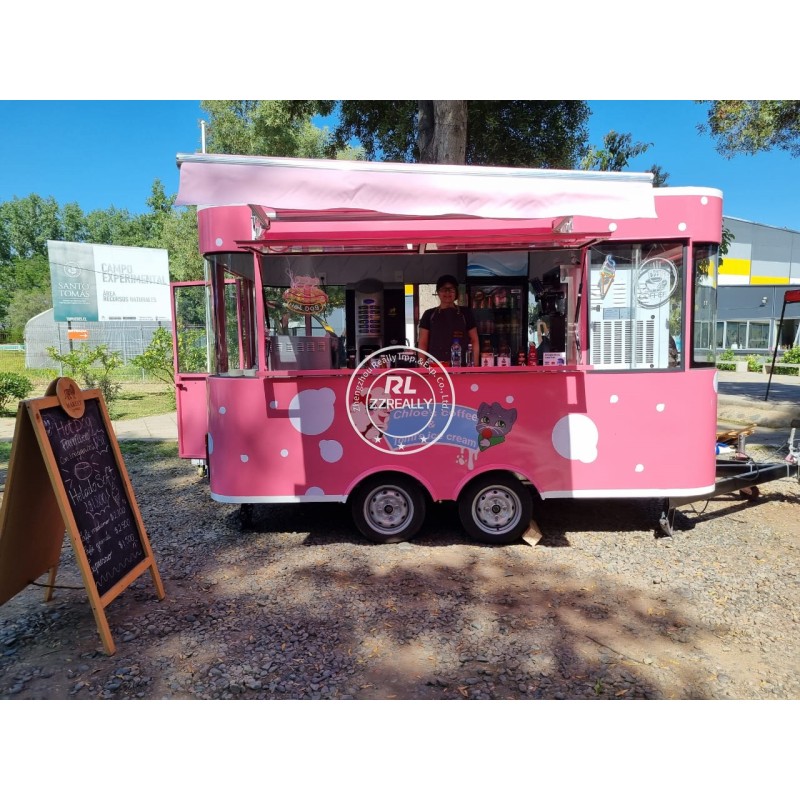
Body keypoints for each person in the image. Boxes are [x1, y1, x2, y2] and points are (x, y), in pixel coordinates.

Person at [418, 274, 479, 365]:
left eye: (451, 289)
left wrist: (475, 367)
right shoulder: (429, 315)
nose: (447, 293)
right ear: (438, 292)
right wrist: (422, 368)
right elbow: (422, 344)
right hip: (435, 369)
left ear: (456, 293)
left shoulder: (466, 313)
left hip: (462, 368)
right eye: (443, 290)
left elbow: (474, 340)